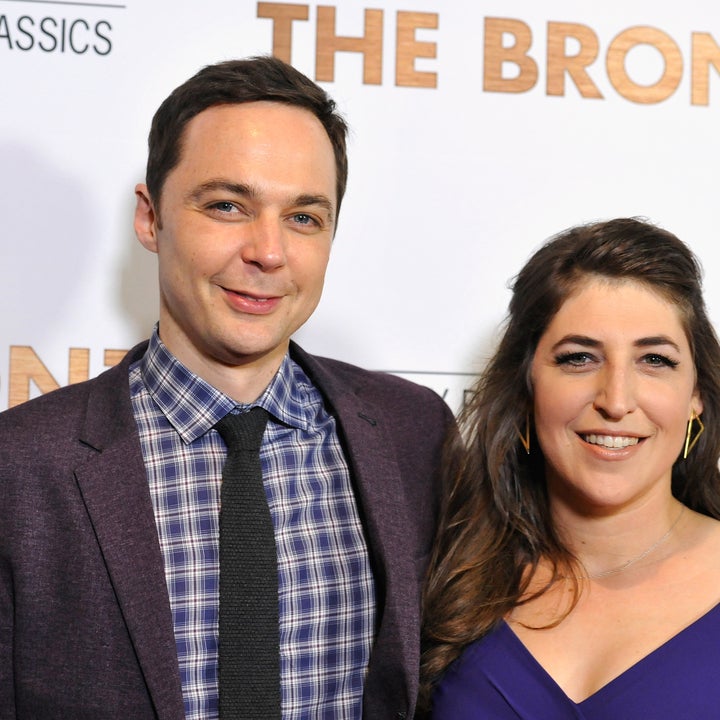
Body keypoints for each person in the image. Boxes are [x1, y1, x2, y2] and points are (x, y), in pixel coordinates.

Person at [0, 56, 453, 720]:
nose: (268, 251)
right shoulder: (19, 467)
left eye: (304, 217)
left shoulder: (415, 432)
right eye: (227, 206)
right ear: (150, 218)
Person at [420, 218, 720, 718]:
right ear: (525, 390)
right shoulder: (441, 570)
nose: (616, 401)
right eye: (579, 358)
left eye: (654, 360)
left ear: (696, 398)